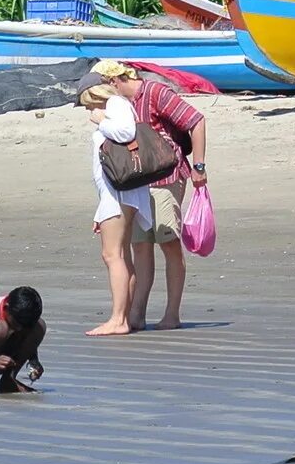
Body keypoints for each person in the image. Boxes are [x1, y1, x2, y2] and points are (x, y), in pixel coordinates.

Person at [90, 60, 208, 332]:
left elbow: (196, 121)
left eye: (102, 88)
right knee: (140, 247)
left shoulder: (155, 93)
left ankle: (172, 314)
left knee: (168, 244)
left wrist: (199, 166)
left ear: (114, 81)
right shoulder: (120, 107)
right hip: (138, 183)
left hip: (167, 178)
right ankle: (137, 315)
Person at [79, 82, 152, 336]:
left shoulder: (115, 105)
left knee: (112, 255)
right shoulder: (116, 106)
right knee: (121, 255)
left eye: (87, 102)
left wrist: (101, 120)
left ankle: (118, 319)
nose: (88, 109)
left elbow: (125, 132)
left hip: (120, 193)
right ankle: (126, 317)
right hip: (117, 194)